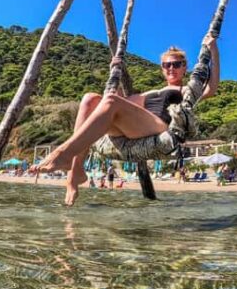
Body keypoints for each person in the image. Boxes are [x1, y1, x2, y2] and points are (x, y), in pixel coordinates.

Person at [31, 34, 219, 205]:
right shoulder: (149, 93)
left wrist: (213, 49)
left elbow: (212, 87)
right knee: (89, 99)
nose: (171, 68)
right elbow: (120, 103)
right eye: (167, 65)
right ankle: (75, 174)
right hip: (135, 129)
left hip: (160, 129)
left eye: (176, 64)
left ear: (185, 67)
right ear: (162, 69)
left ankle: (63, 154)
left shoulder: (186, 91)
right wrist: (114, 71)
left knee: (111, 101)